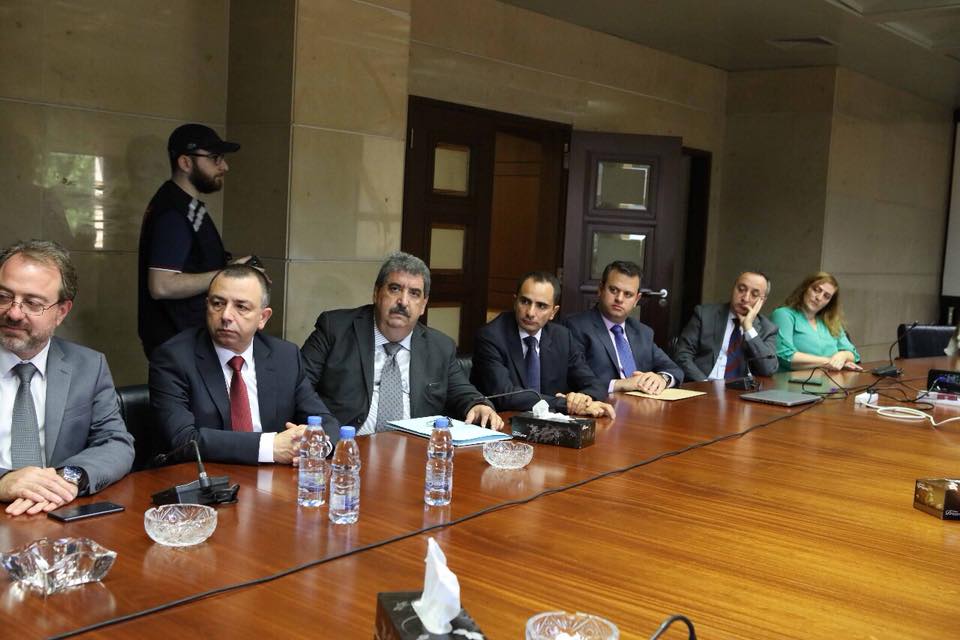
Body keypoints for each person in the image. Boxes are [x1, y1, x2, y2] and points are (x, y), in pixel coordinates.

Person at [149, 265, 339, 465]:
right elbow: (184, 441)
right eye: (217, 304)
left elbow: (324, 421)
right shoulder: (174, 358)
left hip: (273, 476)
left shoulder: (284, 356)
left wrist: (315, 448)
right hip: (203, 476)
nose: (226, 316)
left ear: (263, 318)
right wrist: (270, 447)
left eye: (241, 307)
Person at [0, 241, 134, 516]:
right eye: (3, 296)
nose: (13, 312)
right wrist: (3, 480)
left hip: (56, 513)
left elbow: (116, 443)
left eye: (32, 303)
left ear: (61, 312)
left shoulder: (88, 366)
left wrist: (68, 477)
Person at [301, 252, 502, 434]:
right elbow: (299, 386)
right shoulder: (335, 329)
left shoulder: (440, 347)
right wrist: (326, 434)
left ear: (423, 305)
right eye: (395, 289)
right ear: (376, 293)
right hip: (347, 447)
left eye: (414, 293)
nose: (403, 301)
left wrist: (478, 405)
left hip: (414, 451)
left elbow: (462, 392)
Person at [137, 123, 255, 358]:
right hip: (179, 347)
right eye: (215, 158)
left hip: (188, 343)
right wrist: (227, 274)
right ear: (185, 162)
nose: (224, 166)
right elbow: (161, 285)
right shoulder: (172, 212)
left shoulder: (183, 206)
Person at [472, 271, 615, 418]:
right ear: (515, 302)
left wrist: (582, 400)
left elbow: (594, 384)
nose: (530, 313)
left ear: (553, 312)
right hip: (502, 422)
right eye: (525, 302)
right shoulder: (491, 336)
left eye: (541, 306)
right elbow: (505, 396)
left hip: (550, 424)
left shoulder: (562, 337)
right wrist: (564, 404)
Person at [564, 261, 683, 396]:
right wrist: (621, 384)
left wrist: (662, 379)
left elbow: (674, 369)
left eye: (628, 294)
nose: (619, 299)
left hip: (642, 404)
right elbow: (574, 378)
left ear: (636, 299)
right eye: (613, 290)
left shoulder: (643, 332)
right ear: (600, 289)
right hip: (600, 402)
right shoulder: (576, 326)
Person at [674, 271, 779, 381]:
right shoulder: (704, 315)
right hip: (702, 384)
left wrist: (748, 328)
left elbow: (768, 369)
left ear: (762, 301)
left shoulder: (768, 329)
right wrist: (704, 384)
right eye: (741, 289)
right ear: (733, 289)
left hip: (740, 389)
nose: (745, 298)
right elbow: (682, 354)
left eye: (754, 294)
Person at [771, 271, 862, 372]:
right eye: (816, 290)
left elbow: (854, 355)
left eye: (826, 296)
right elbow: (784, 356)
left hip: (831, 379)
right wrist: (830, 362)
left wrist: (842, 356)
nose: (819, 298)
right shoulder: (783, 314)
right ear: (805, 288)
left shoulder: (830, 320)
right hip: (793, 380)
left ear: (829, 302)